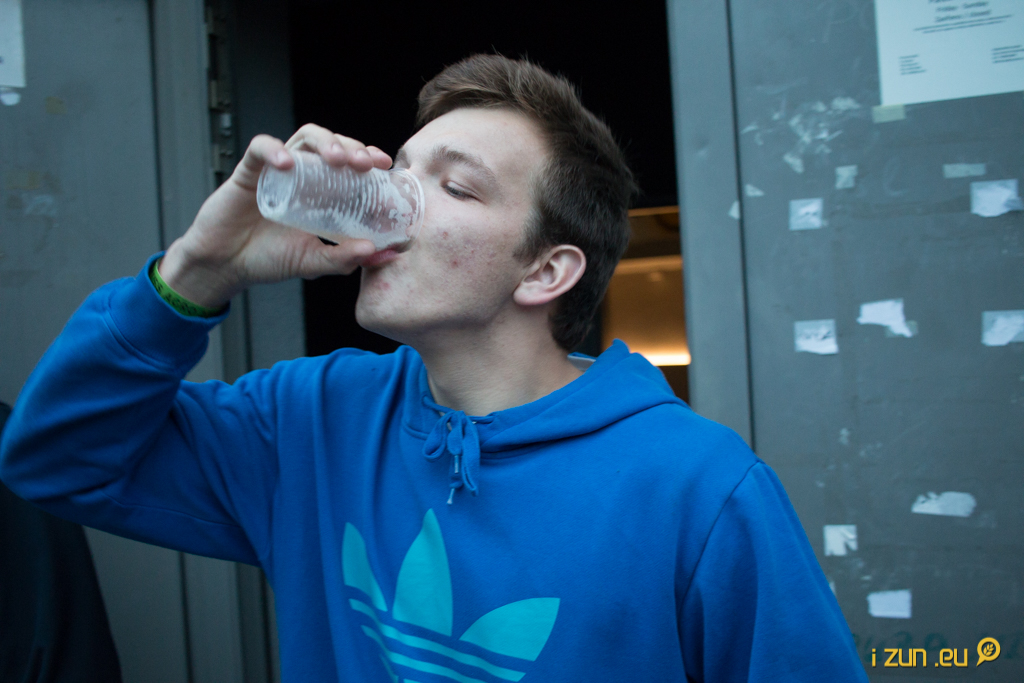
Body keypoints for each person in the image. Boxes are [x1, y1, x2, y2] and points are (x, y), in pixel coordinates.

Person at [0, 55, 867, 682]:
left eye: (456, 187)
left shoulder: (699, 488)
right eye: (401, 170)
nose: (394, 203)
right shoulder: (311, 418)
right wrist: (198, 269)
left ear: (546, 271)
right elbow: (56, 461)